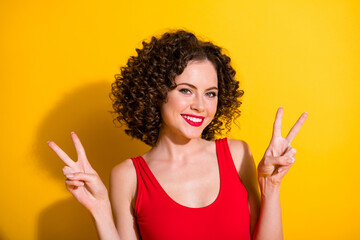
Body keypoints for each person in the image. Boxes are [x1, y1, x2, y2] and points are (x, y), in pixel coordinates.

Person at [48, 30, 307, 240]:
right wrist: (100, 210)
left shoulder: (238, 154)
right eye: (186, 90)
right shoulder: (127, 176)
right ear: (156, 92)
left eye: (210, 93)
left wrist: (271, 187)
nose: (200, 106)